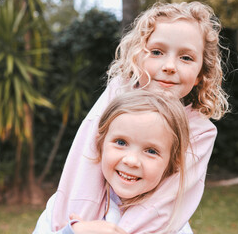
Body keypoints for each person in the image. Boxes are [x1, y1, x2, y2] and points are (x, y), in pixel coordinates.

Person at [35, 1, 229, 233]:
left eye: (186, 58)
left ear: (200, 74)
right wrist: (76, 227)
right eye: (156, 52)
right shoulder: (118, 93)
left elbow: (170, 198)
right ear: (138, 57)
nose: (169, 66)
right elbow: (84, 156)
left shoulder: (199, 129)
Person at [34, 90, 192, 233]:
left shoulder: (171, 222)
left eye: (151, 151)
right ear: (99, 144)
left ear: (172, 163)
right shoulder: (66, 202)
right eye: (121, 142)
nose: (131, 161)